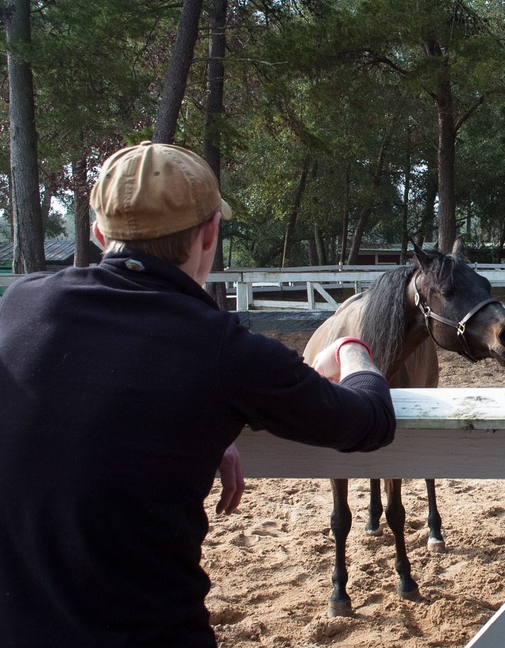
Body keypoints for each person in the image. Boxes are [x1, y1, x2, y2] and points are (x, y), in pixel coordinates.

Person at [0, 141, 396, 646]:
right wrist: (352, 351)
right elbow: (369, 422)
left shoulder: (22, 302)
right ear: (210, 232)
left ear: (100, 234)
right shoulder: (223, 350)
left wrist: (197, 420)